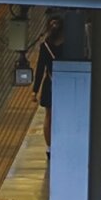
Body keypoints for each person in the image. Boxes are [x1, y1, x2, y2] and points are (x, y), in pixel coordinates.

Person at [31, 15, 63, 150]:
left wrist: (35, 91)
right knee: (62, 114)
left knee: (48, 116)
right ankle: (61, 140)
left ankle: (49, 147)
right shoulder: (67, 45)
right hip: (64, 85)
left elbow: (40, 68)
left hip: (49, 83)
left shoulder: (45, 46)